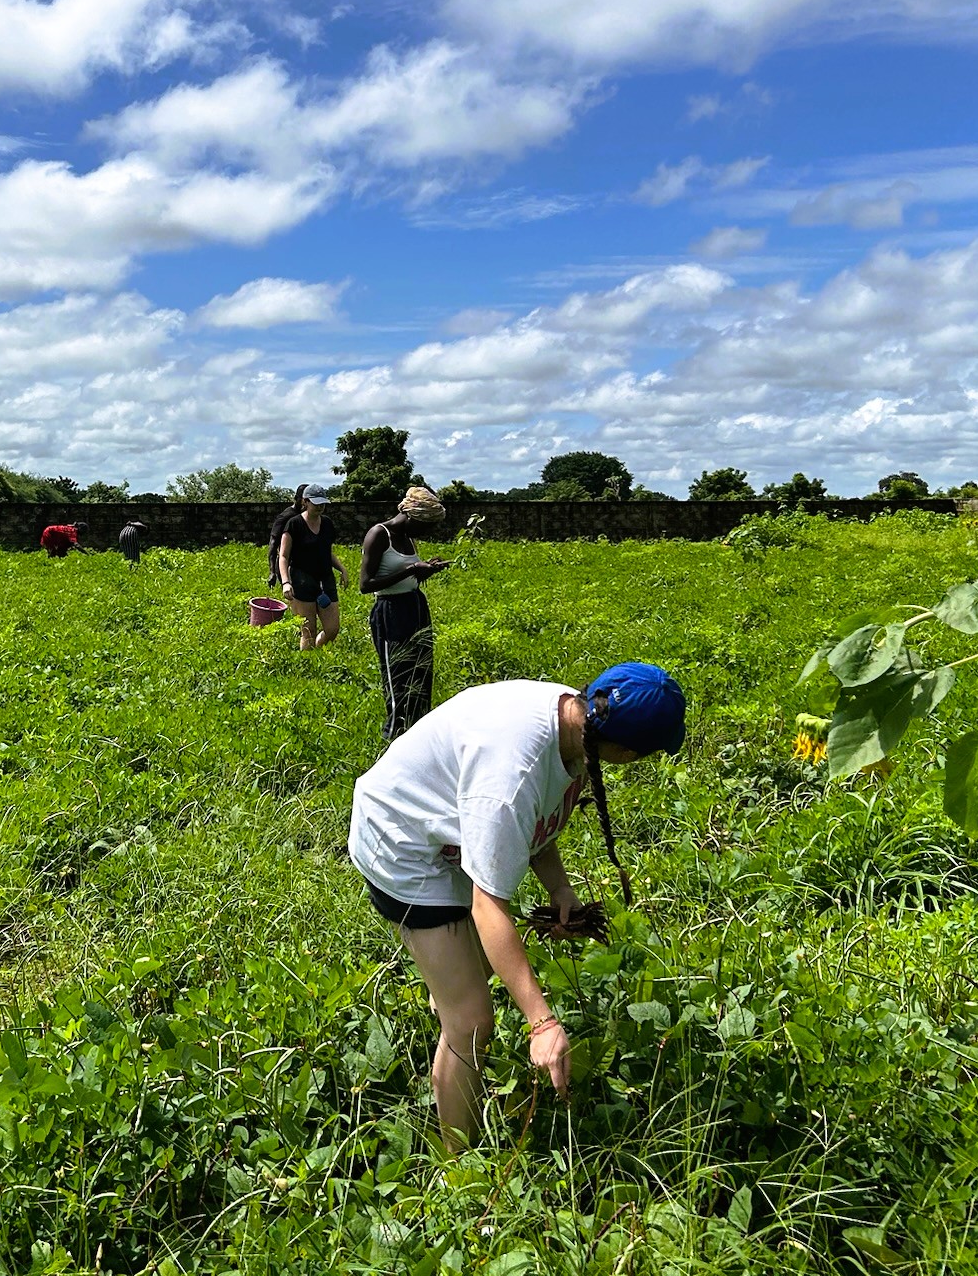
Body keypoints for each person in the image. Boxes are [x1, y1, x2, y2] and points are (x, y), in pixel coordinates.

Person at [349, 663, 686, 1152]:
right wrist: (542, 1023)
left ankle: (447, 1054)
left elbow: (536, 820)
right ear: (628, 753)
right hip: (401, 844)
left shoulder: (575, 718)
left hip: (446, 832)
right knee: (471, 1020)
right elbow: (489, 906)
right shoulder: (509, 780)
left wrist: (561, 891)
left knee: (471, 980)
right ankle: (456, 1167)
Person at [360, 485, 451, 740]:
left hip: (415, 606)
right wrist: (411, 569)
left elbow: (409, 575)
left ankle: (418, 734)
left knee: (421, 675)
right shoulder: (379, 535)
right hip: (390, 612)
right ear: (411, 517)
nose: (427, 532)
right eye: (425, 526)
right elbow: (365, 585)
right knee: (399, 677)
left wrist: (424, 571)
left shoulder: (409, 537)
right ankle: (395, 736)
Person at [278, 485, 346, 649]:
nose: (320, 507)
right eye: (316, 503)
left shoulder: (327, 523)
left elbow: (326, 552)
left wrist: (342, 569)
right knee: (308, 630)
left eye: (323, 503)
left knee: (332, 629)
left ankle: (317, 647)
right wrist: (286, 582)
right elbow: (283, 556)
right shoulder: (294, 524)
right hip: (302, 580)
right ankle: (307, 667)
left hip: (325, 580)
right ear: (305, 502)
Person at [267, 485, 308, 589]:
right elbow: (273, 544)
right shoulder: (285, 517)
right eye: (304, 500)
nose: (305, 504)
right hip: (288, 566)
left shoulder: (309, 517)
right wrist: (272, 572)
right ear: (297, 499)